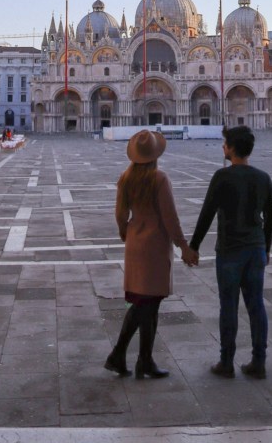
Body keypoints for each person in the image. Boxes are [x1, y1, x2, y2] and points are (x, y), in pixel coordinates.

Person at [105, 129, 196, 379]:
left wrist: (126, 233)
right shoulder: (159, 179)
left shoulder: (126, 177)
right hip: (154, 246)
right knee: (147, 303)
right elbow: (170, 217)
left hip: (135, 243)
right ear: (155, 155)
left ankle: (142, 359)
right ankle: (122, 354)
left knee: (146, 303)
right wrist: (183, 246)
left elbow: (120, 214)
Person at [188, 125, 272, 380]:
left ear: (232, 148)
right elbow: (270, 219)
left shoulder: (222, 176)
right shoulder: (263, 177)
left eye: (225, 143)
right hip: (256, 249)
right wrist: (266, 249)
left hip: (230, 251)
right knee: (256, 305)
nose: (222, 147)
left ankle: (226, 362)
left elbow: (206, 214)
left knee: (229, 306)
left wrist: (193, 246)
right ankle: (259, 362)